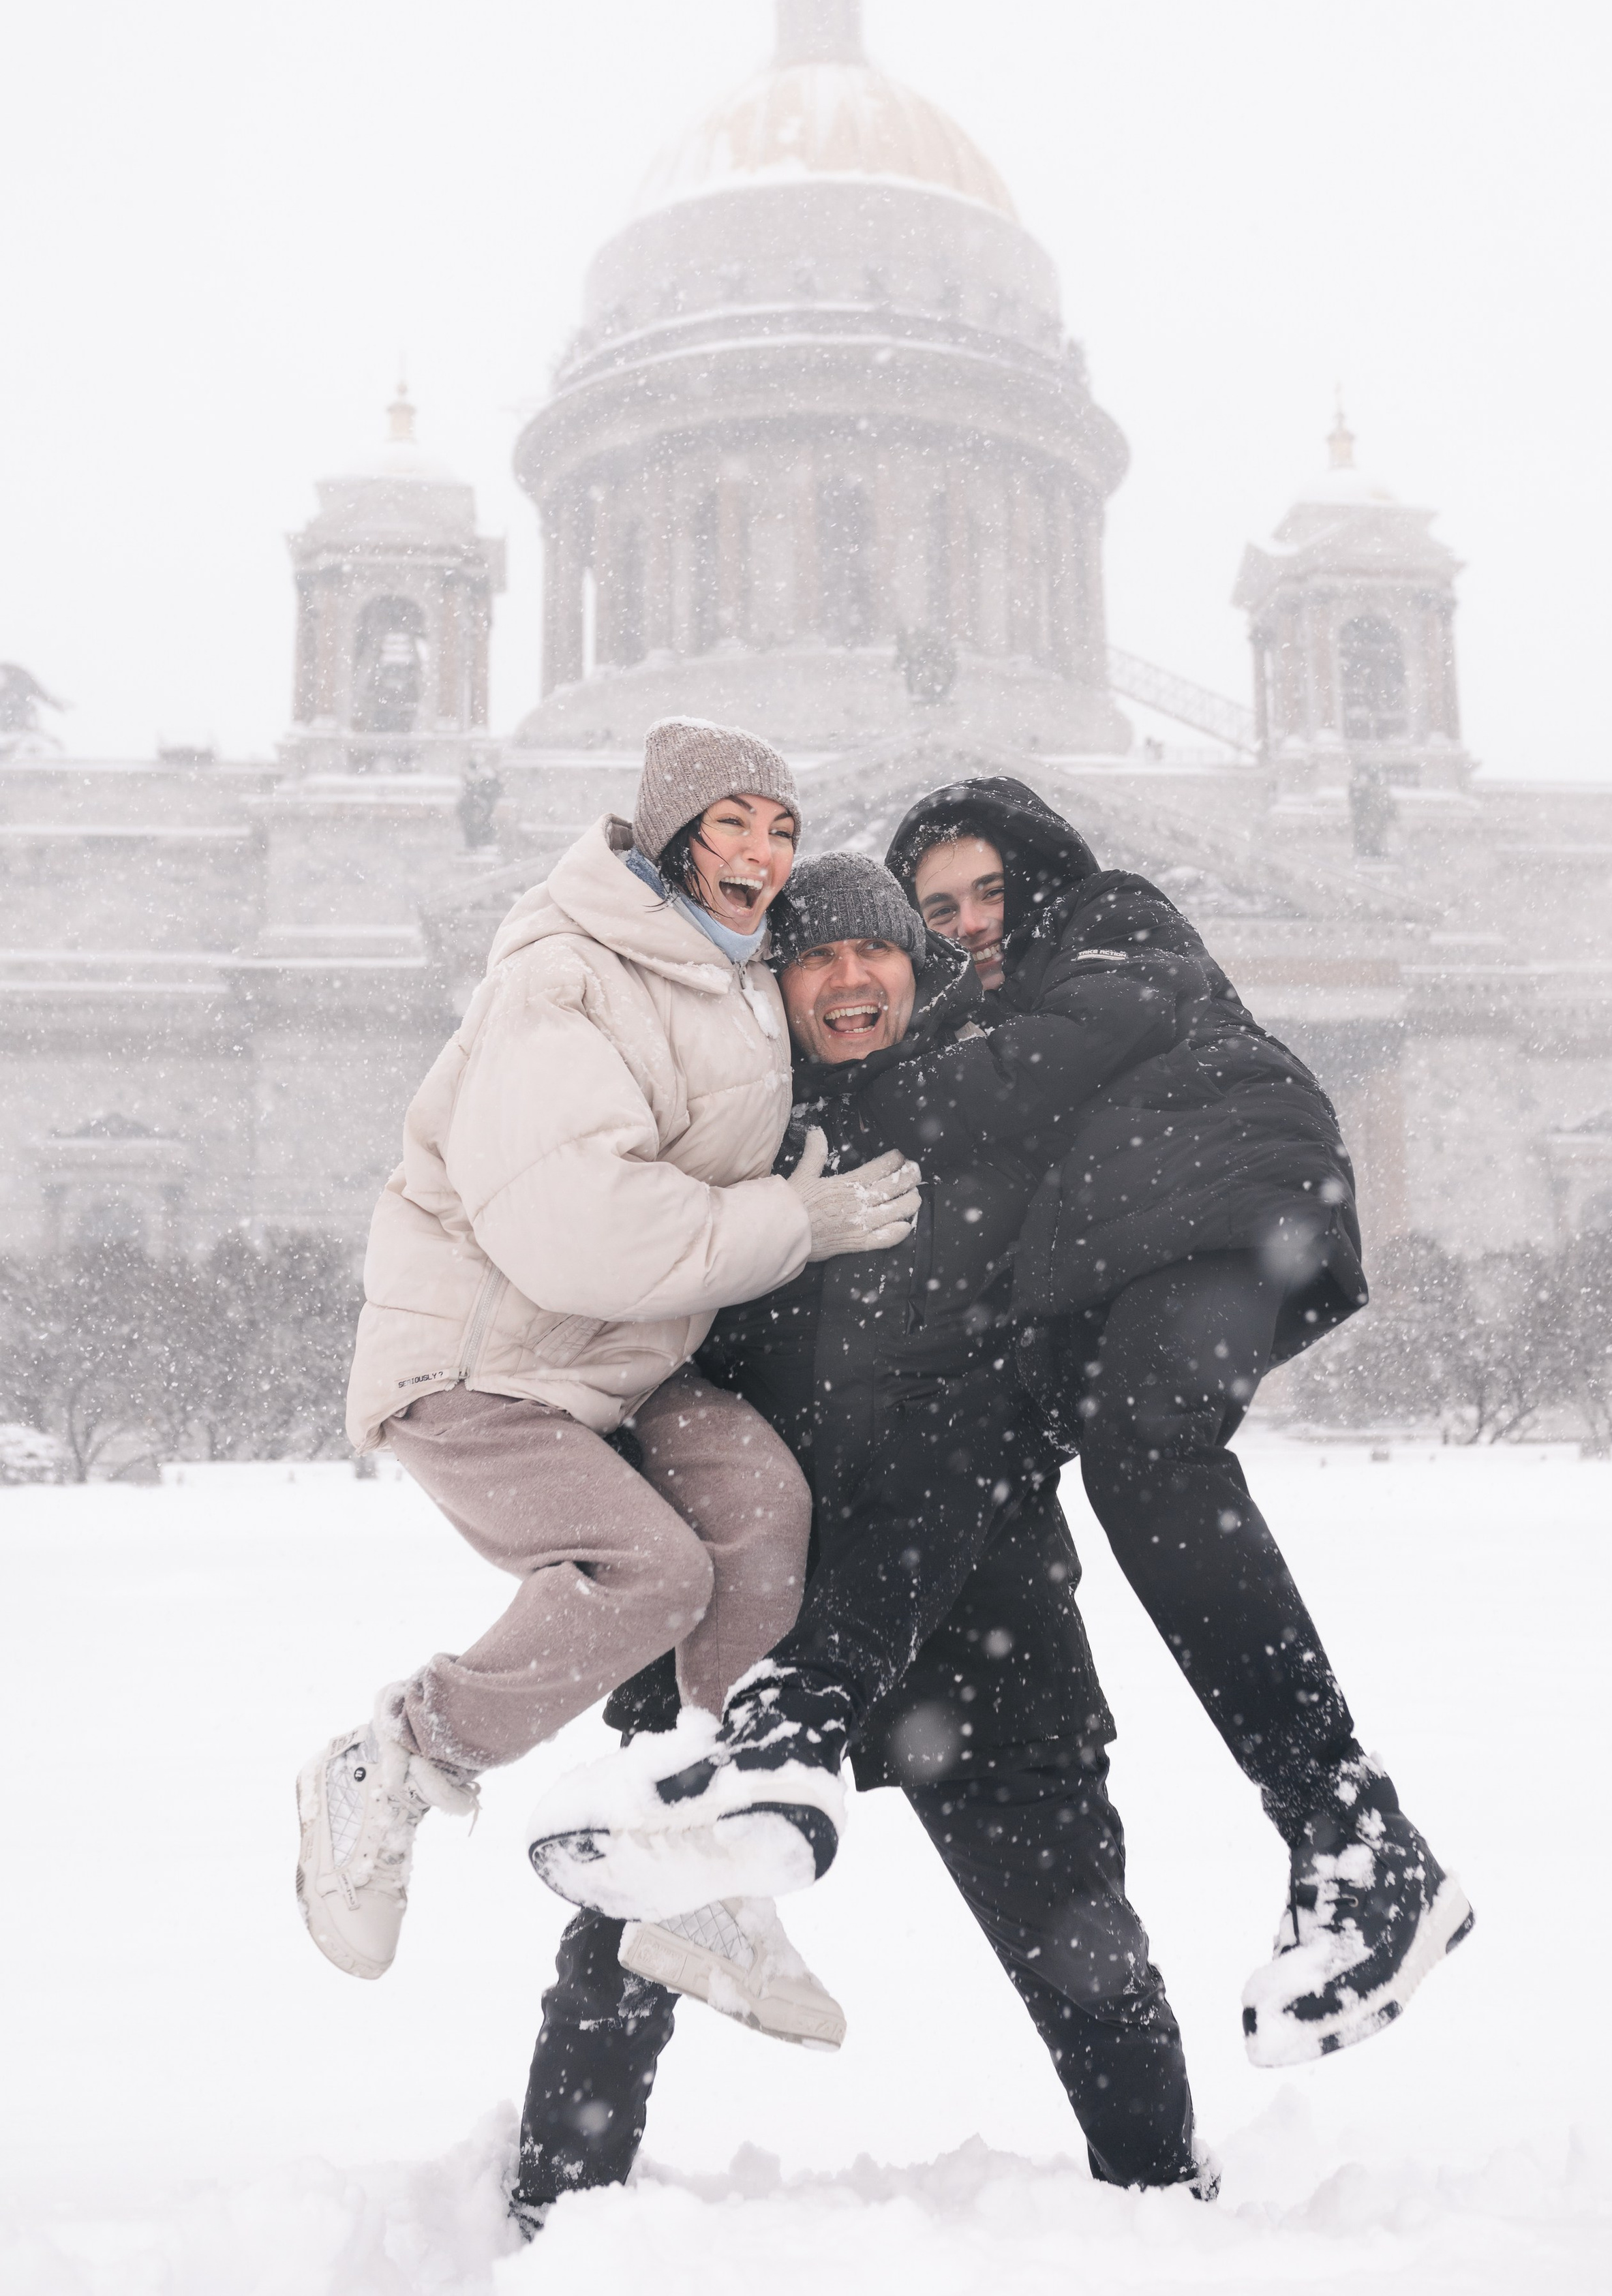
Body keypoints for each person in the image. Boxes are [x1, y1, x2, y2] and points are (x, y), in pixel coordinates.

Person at [515, 856, 1209, 2221]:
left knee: (1080, 1945)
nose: (845, 981)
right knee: (632, 1937)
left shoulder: (998, 1147)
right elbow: (634, 1364)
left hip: (971, 1617)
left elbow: (968, 1437)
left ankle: (1162, 2203)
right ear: (767, 986)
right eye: (810, 959)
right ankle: (553, 2210)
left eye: (871, 955)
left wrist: (832, 1661)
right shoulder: (718, 1152)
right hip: (747, 1615)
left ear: (916, 967)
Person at [294, 722, 920, 2010]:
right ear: (674, 833)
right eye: (733, 822)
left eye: (782, 830)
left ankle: (699, 1847)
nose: (761, 851)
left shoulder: (739, 975)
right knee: (653, 1572)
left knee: (762, 1513)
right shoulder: (564, 973)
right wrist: (792, 1224)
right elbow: (579, 1231)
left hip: (627, 1362)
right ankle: (399, 1756)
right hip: (485, 1358)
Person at [881, 776, 1473, 2066]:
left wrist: (866, 1076)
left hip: (1222, 1198)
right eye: (938, 907)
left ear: (1043, 876)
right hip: (1122, 1252)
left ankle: (1356, 1833)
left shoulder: (1117, 925)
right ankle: (779, 1748)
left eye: (989, 889)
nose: (971, 920)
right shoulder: (985, 1016)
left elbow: (1024, 1081)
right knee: (1009, 1467)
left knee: (1147, 1451)